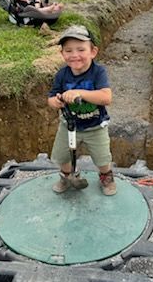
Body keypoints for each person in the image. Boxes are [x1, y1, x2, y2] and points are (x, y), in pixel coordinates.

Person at [48, 24, 117, 196]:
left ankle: (106, 177)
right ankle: (68, 176)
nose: (75, 55)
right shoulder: (62, 75)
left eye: (81, 49)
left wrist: (80, 93)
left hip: (95, 126)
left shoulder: (98, 72)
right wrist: (56, 102)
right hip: (69, 126)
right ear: (62, 53)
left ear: (93, 52)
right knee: (62, 156)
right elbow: (51, 98)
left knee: (102, 158)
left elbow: (106, 97)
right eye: (69, 50)